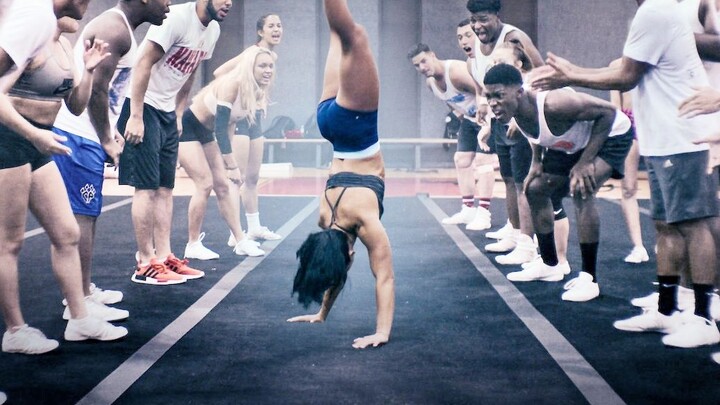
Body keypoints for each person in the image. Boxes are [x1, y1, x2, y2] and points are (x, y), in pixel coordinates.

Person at [533, 0, 719, 349]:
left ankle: (704, 317)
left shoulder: (656, 11)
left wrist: (571, 74)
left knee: (695, 225)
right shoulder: (653, 12)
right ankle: (668, 310)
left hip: (683, 136)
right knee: (665, 226)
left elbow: (626, 76)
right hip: (663, 138)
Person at [0, 0, 128, 355]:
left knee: (67, 232)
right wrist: (33, 134)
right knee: (10, 242)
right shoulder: (31, 37)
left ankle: (80, 318)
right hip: (10, 139)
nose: (80, 14)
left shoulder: (65, 46)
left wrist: (87, 71)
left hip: (41, 141)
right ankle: (15, 330)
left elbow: (75, 105)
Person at [287, 0, 394, 350]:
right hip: (328, 125)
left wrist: (382, 332)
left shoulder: (366, 222)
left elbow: (385, 279)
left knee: (353, 36)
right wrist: (322, 313)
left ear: (348, 254)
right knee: (338, 36)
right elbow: (332, 263)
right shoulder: (323, 221)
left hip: (357, 126)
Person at [52, 0, 170, 315]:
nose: (169, 4)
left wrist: (110, 130)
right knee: (81, 218)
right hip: (78, 135)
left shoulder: (122, 29)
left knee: (88, 216)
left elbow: (109, 91)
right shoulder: (113, 29)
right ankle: (78, 303)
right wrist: (106, 137)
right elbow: (98, 90)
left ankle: (84, 291)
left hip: (86, 134)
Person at [484, 64, 633, 302]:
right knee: (534, 189)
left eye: (499, 95)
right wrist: (536, 162)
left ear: (519, 92)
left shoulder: (556, 104)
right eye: (488, 96)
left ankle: (589, 279)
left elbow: (609, 113)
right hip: (571, 143)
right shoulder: (513, 112)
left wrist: (585, 162)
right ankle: (550, 265)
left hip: (611, 135)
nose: (492, 102)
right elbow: (537, 134)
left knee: (581, 190)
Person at [117, 0, 232, 285]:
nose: (228, 2)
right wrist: (136, 116)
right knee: (146, 188)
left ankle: (165, 256)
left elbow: (190, 69)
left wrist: (179, 111)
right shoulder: (176, 18)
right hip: (142, 106)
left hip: (167, 112)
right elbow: (143, 62)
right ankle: (145, 262)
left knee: (166, 188)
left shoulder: (212, 31)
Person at [177, 46, 274, 260]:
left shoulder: (256, 92)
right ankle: (192, 244)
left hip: (207, 133)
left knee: (222, 185)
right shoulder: (233, 84)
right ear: (250, 68)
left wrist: (225, 158)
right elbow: (220, 126)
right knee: (204, 183)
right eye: (262, 66)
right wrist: (232, 164)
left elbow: (230, 125)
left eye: (271, 66)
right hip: (190, 127)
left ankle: (240, 240)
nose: (268, 70)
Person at [407, 41, 495, 231]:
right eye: (417, 65)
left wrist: (488, 119)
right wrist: (457, 116)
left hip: (490, 116)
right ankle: (468, 209)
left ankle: (484, 213)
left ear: (432, 55)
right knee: (461, 160)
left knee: (482, 162)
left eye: (424, 61)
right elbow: (450, 101)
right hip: (470, 120)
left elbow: (485, 90)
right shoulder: (431, 83)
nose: (422, 68)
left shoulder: (455, 72)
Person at [215, 14, 284, 244]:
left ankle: (253, 227)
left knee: (253, 178)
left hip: (255, 120)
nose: (276, 29)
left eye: (279, 25)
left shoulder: (271, 55)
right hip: (241, 119)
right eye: (271, 26)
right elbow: (219, 72)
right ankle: (235, 234)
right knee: (238, 179)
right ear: (260, 31)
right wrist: (234, 100)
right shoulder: (251, 53)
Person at [608, 61, 650, 264]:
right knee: (628, 188)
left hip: (653, 122)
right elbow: (615, 107)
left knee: (665, 186)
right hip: (630, 123)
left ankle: (667, 237)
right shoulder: (617, 65)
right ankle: (639, 246)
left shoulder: (655, 62)